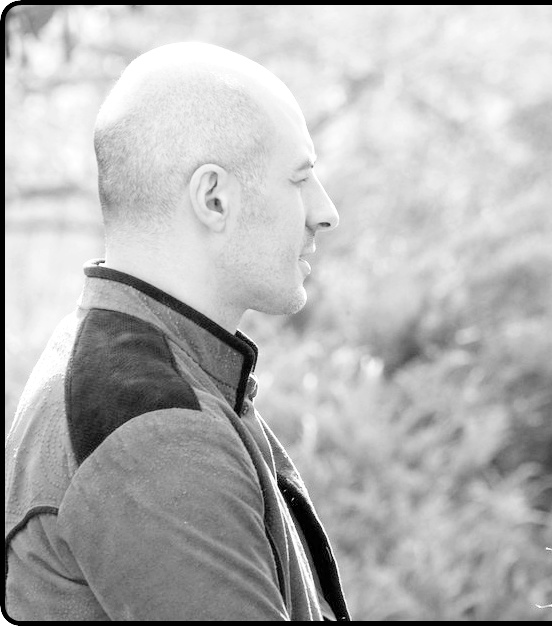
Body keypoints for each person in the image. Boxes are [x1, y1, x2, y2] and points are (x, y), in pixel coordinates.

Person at [4, 42, 351, 621]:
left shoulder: (142, 372)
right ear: (214, 198)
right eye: (300, 179)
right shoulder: (154, 432)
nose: (326, 211)